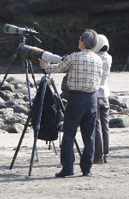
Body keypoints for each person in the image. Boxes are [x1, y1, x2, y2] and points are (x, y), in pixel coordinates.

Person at [40, 30, 102, 178]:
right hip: (93, 98)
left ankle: (68, 167)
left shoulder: (74, 57)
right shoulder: (98, 59)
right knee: (89, 136)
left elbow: (57, 68)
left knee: (69, 133)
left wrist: (44, 66)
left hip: (77, 98)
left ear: (82, 42)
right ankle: (87, 169)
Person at [91, 34, 112, 164]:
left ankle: (98, 155)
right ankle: (106, 153)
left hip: (96, 94)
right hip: (105, 95)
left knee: (96, 126)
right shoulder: (108, 58)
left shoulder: (94, 58)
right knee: (105, 126)